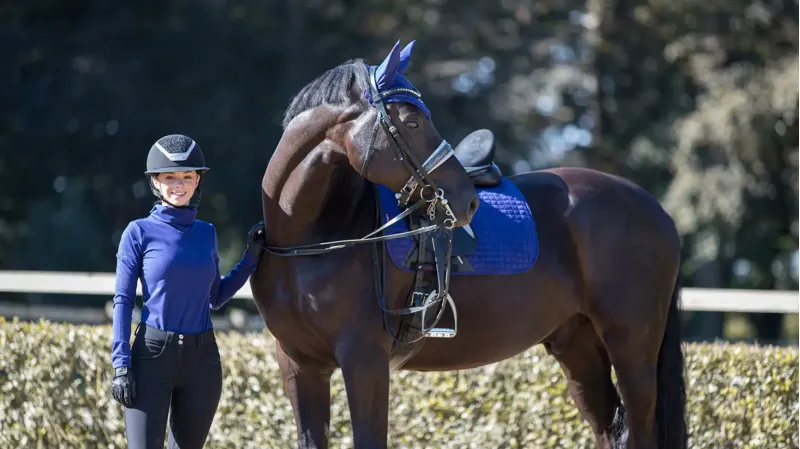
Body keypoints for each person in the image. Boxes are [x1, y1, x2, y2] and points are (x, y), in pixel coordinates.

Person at [109, 134, 265, 449]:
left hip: (202, 360)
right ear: (155, 181)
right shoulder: (138, 233)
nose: (179, 184)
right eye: (170, 177)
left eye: (187, 177)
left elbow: (216, 297)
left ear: (197, 182)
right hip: (151, 357)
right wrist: (121, 364)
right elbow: (123, 301)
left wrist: (251, 257)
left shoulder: (206, 233)